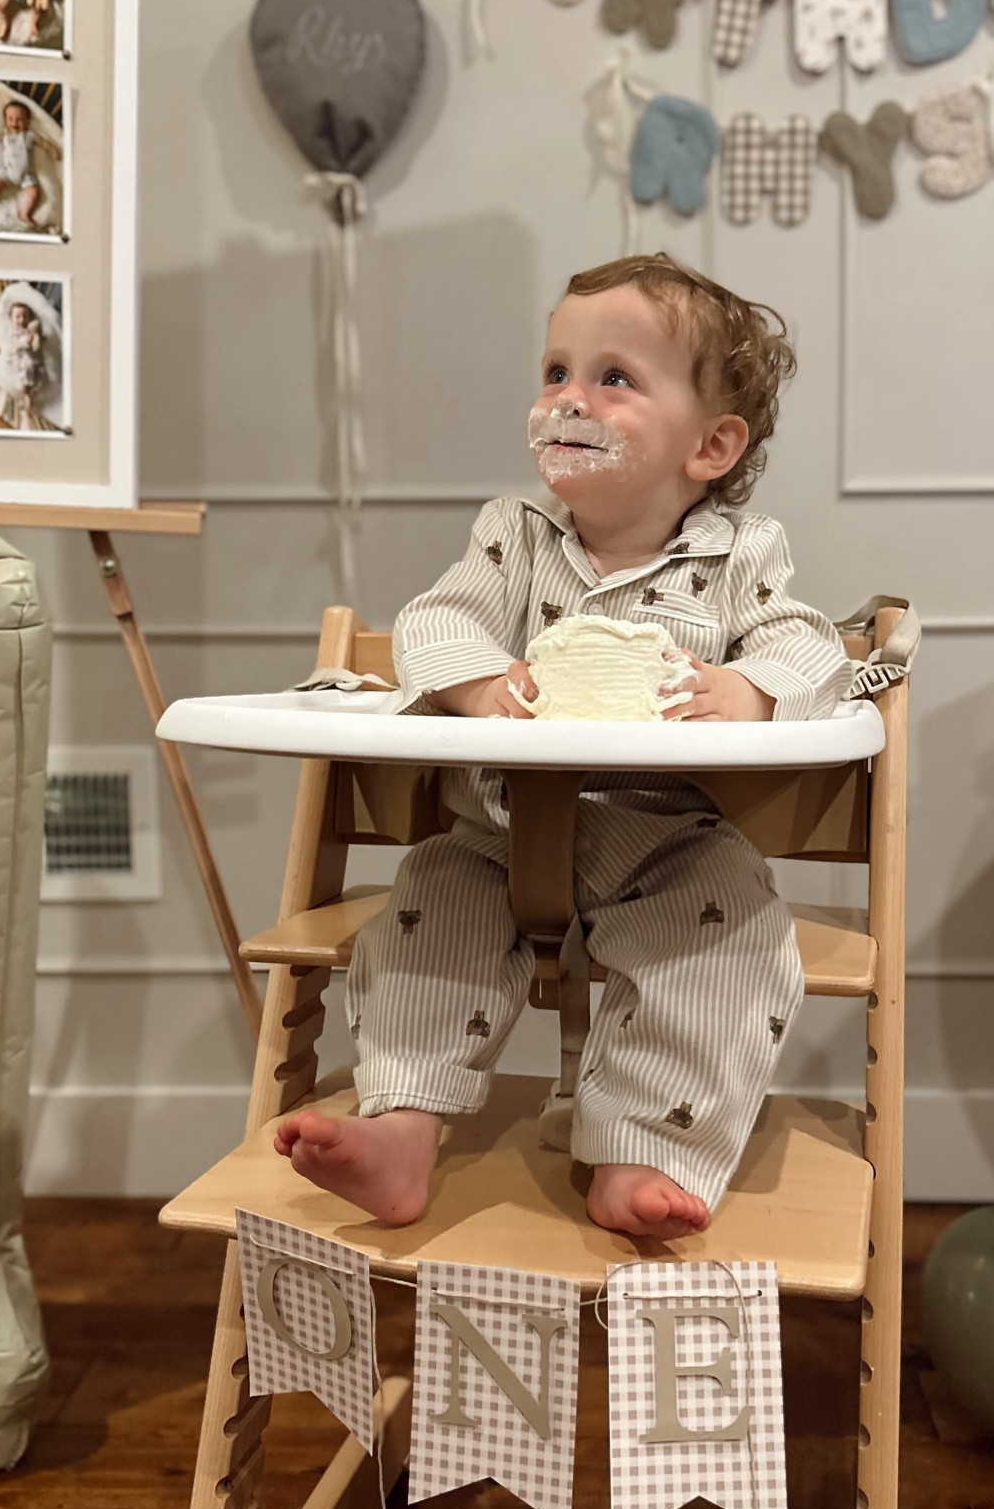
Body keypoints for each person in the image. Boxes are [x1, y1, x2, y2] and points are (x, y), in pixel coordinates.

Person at [275, 253, 852, 1238]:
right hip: (497, 831)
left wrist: (748, 687)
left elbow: (811, 642)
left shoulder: (738, 556)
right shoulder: (516, 534)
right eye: (555, 372)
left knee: (728, 940)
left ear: (710, 445)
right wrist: (479, 685)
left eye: (613, 377)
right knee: (423, 915)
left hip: (666, 837)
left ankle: (643, 1155)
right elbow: (435, 621)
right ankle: (402, 1129)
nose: (569, 399)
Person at [0, 95, 52, 229]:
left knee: (34, 193)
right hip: (7, 171)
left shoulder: (29, 135)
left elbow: (43, 142)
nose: (14, 122)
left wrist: (51, 149)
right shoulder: (5, 134)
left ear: (27, 121)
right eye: (10, 119)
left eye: (19, 119)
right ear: (5, 120)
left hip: (26, 175)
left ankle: (24, 214)